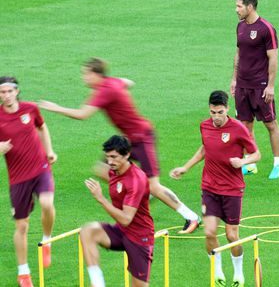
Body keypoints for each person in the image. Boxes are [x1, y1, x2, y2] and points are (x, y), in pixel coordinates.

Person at [39, 58, 200, 233]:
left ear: (95, 74)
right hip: (128, 140)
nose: (83, 78)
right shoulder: (112, 83)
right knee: (102, 169)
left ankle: (191, 217)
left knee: (154, 185)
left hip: (142, 138)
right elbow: (127, 82)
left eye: (86, 74)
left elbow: (83, 114)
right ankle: (140, 192)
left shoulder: (105, 90)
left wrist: (55, 108)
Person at [170, 91, 260, 287]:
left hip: (232, 189)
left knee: (231, 236)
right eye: (213, 112)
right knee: (210, 232)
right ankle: (217, 270)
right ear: (209, 109)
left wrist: (242, 161)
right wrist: (185, 167)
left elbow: (257, 154)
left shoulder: (238, 129)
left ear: (227, 109)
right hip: (209, 187)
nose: (216, 117)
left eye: (220, 112)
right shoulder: (204, 125)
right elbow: (204, 148)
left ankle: (238, 272)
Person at [0, 76, 57, 287]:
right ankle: (23, 273)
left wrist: (49, 150)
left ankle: (47, 239)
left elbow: (42, 128)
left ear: (17, 91)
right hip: (18, 178)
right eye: (2, 92)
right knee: (22, 226)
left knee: (47, 203)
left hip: (41, 168)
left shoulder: (30, 109)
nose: (6, 95)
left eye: (9, 91)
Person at [80, 135, 154, 287]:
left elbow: (126, 218)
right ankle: (98, 283)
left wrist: (101, 199)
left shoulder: (136, 180)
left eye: (114, 157)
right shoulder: (114, 171)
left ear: (127, 155)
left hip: (140, 238)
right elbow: (100, 169)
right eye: (107, 157)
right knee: (87, 231)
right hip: (121, 231)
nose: (110, 162)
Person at [230, 0, 279, 179]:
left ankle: (278, 164)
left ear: (250, 7)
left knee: (270, 124)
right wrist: (234, 79)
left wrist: (270, 86)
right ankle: (251, 163)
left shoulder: (266, 28)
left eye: (239, 6)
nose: (236, 10)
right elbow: (238, 54)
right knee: (245, 125)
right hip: (243, 85)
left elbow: (273, 58)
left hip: (260, 86)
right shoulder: (240, 27)